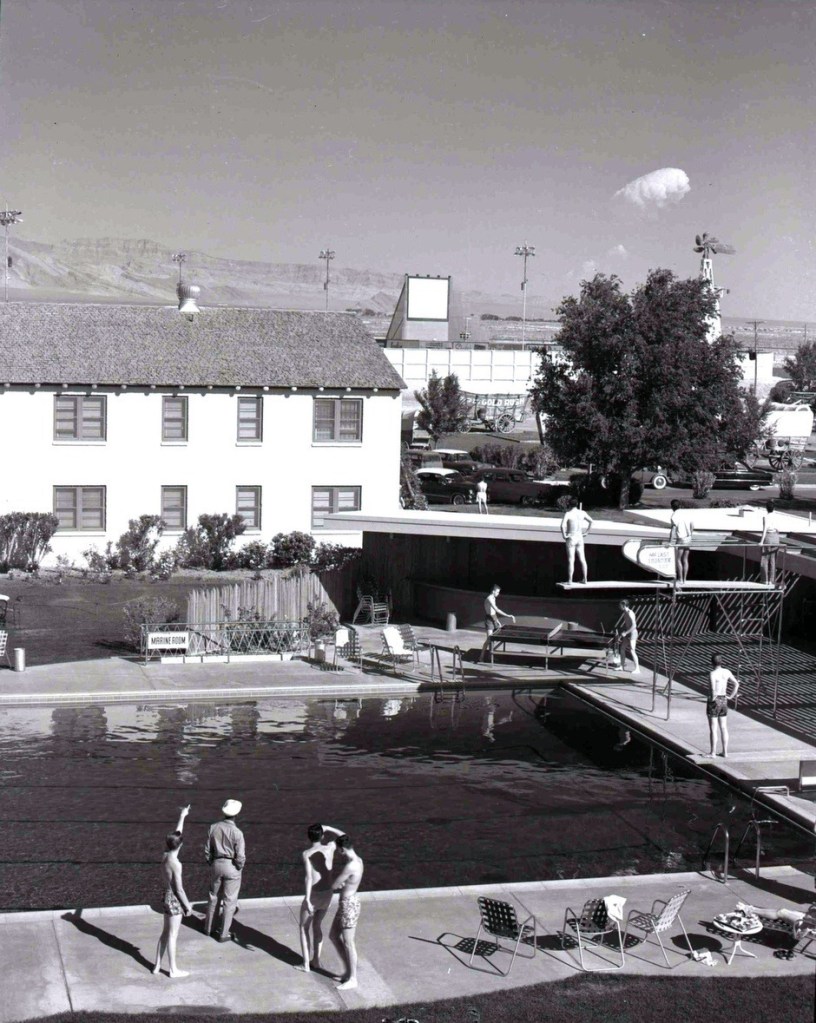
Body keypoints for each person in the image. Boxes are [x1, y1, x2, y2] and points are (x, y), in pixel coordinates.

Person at [297, 823, 346, 973]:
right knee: (317, 925)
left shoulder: (306, 854)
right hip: (327, 894)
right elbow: (344, 837)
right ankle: (316, 961)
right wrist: (329, 827)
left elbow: (308, 878)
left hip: (314, 895)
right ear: (322, 835)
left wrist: (307, 898)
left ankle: (306, 964)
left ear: (308, 837)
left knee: (303, 928)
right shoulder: (330, 848)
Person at [152, 805, 193, 978]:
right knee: (173, 936)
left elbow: (177, 834)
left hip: (165, 896)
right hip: (175, 899)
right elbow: (180, 889)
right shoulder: (176, 864)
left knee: (164, 933)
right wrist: (188, 906)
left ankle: (157, 966)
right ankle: (173, 970)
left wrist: (182, 816)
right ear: (181, 845)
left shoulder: (165, 855)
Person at [204, 798, 246, 942]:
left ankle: (208, 928)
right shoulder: (237, 832)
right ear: (236, 814)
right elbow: (240, 856)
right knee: (229, 901)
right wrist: (238, 867)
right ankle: (224, 933)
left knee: (213, 896)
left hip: (216, 863)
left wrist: (212, 862)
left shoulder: (213, 827)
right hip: (231, 866)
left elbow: (207, 851)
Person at [329, 834, 364, 990]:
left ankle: (353, 979)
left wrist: (338, 882)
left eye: (338, 851)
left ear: (342, 849)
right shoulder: (358, 861)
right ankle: (348, 973)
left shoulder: (350, 866)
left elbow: (335, 885)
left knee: (349, 943)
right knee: (333, 935)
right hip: (347, 903)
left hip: (348, 905)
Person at [706, 654, 739, 757]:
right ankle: (725, 752)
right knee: (724, 727)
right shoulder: (727, 672)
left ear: (712, 662)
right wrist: (731, 696)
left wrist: (712, 698)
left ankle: (713, 753)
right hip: (724, 699)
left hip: (715, 701)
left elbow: (713, 689)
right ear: (721, 662)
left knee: (713, 728)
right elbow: (736, 684)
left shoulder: (712, 673)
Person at [736, 900, 816, 938]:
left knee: (781, 912)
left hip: (806, 925)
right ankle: (751, 910)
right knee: (781, 910)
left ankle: (750, 910)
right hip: (807, 918)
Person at [560, 497, 592, 585]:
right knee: (583, 559)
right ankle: (585, 579)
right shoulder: (582, 513)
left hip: (571, 537)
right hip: (580, 537)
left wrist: (564, 535)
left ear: (569, 504)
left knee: (571, 560)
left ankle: (570, 580)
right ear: (577, 504)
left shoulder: (568, 513)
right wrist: (587, 532)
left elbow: (562, 525)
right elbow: (591, 521)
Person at [480, 584, 516, 657]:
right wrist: (508, 615)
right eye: (497, 592)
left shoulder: (494, 598)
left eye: (499, 592)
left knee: (494, 638)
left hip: (493, 618)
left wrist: (497, 621)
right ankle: (481, 656)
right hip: (489, 620)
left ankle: (491, 655)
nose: (498, 594)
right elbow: (496, 609)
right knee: (489, 639)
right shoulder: (489, 598)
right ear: (493, 591)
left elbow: (494, 612)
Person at [669, 500, 693, 585]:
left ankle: (681, 579)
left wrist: (670, 541)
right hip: (688, 538)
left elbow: (673, 530)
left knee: (678, 559)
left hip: (681, 539)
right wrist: (691, 535)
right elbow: (692, 525)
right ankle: (685, 579)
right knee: (685, 559)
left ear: (672, 507)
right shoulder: (686, 513)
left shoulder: (674, 516)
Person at [759, 499, 783, 586]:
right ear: (774, 508)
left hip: (768, 537)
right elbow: (778, 529)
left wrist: (761, 541)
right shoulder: (777, 517)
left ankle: (764, 579)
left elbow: (765, 529)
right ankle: (771, 580)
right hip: (776, 538)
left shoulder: (766, 517)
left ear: (766, 508)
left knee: (765, 559)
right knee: (773, 560)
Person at [617, 600, 640, 674]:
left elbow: (634, 626)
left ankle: (637, 669)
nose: (619, 606)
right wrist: (624, 632)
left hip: (633, 633)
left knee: (632, 650)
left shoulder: (630, 613)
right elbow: (627, 624)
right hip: (628, 633)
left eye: (620, 605)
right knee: (622, 648)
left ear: (624, 605)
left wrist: (626, 633)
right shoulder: (625, 613)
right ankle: (622, 666)